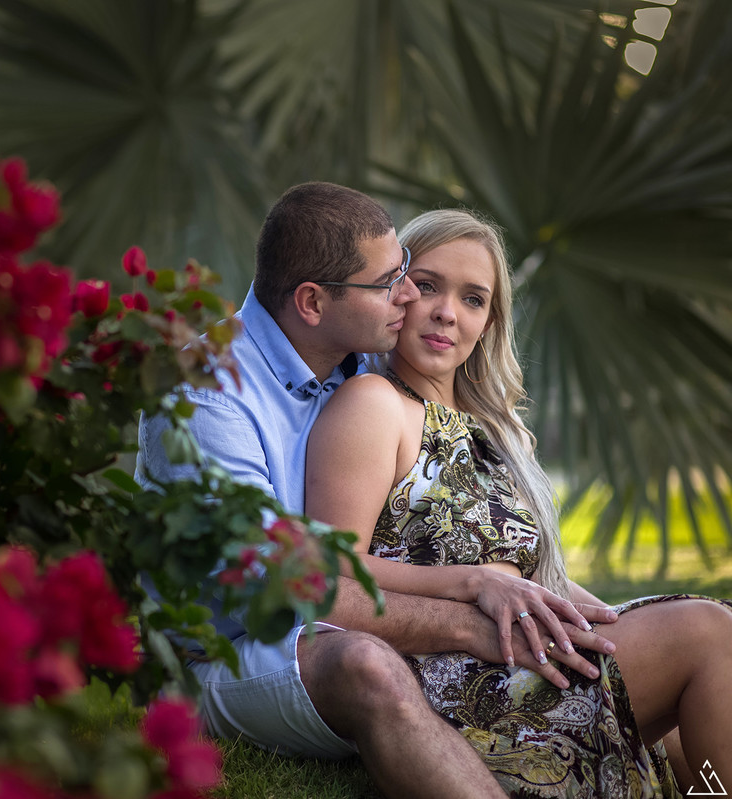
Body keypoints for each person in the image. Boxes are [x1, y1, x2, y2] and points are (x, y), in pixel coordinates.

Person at [137, 183, 618, 798]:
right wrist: (469, 614)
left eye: (405, 272)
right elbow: (285, 590)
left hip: (331, 621)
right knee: (366, 663)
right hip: (224, 656)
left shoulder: (360, 361)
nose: (409, 296)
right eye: (391, 282)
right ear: (313, 302)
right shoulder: (207, 397)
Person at [305, 207, 732, 797]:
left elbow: (531, 576)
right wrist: (471, 581)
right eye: (427, 285)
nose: (447, 312)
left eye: (473, 299)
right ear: (395, 293)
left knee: (694, 728)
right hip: (467, 681)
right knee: (708, 632)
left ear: (489, 321)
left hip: (534, 653)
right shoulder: (374, 404)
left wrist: (614, 620)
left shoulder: (495, 430)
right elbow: (329, 569)